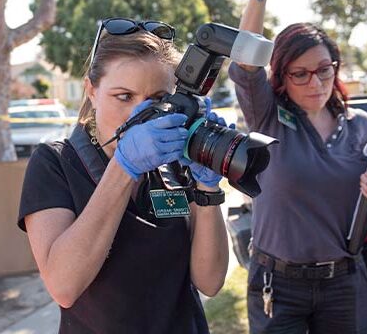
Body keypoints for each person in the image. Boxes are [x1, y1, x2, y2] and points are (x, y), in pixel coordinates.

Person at [229, 0, 367, 333]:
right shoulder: (268, 118)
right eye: (300, 73)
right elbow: (245, 58)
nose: (315, 82)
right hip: (278, 283)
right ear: (282, 77)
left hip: (343, 282)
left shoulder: (363, 127)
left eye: (324, 69)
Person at [17, 17, 229, 334]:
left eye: (157, 99)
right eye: (124, 96)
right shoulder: (55, 163)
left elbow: (210, 282)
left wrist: (208, 187)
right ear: (91, 90)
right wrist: (124, 166)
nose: (140, 114)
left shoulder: (174, 161)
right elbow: (63, 287)